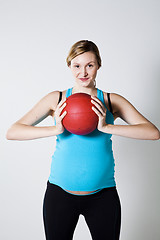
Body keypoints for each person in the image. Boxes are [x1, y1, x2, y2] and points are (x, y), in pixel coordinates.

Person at [6, 40, 160, 240]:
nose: (83, 72)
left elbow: (153, 132)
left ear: (98, 65)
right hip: (59, 195)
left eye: (90, 65)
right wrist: (55, 129)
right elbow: (13, 131)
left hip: (103, 195)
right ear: (69, 66)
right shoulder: (58, 98)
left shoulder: (111, 101)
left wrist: (107, 127)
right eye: (77, 66)